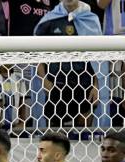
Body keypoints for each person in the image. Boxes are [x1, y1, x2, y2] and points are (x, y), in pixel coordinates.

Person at [34, 0, 102, 128]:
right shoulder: (48, 20)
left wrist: (96, 85)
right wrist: (44, 80)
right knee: (54, 136)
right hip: (56, 85)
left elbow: (98, 59)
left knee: (84, 135)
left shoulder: (91, 20)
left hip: (84, 85)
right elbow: (37, 54)